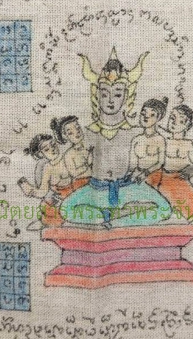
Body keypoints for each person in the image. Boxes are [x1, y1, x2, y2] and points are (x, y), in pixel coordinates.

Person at [59, 49, 172, 226]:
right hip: (97, 189)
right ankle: (117, 216)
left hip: (128, 188)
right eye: (104, 94)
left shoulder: (135, 132)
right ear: (97, 95)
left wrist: (144, 172)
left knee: (164, 209)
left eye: (117, 94)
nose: (110, 100)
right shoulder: (88, 133)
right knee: (66, 210)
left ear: (126, 96)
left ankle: (113, 217)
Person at [147, 105, 193, 222]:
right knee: (176, 188)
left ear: (187, 126)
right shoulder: (165, 139)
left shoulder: (188, 144)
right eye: (172, 118)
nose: (174, 122)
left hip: (176, 175)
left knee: (185, 189)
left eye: (181, 121)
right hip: (160, 174)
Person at [17, 133, 87, 227]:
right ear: (40, 154)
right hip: (57, 199)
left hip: (74, 195)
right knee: (46, 208)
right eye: (46, 149)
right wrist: (31, 191)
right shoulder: (47, 168)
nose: (52, 149)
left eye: (53, 144)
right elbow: (43, 191)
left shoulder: (66, 158)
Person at [128, 97, 169, 181]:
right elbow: (132, 164)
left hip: (154, 176)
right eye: (143, 113)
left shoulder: (160, 140)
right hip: (137, 176)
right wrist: (130, 174)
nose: (146, 117)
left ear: (158, 118)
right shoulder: (136, 139)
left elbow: (160, 163)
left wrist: (145, 174)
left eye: (152, 115)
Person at [50, 115, 93, 183]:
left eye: (78, 128)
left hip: (93, 180)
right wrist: (85, 167)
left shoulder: (87, 148)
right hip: (80, 183)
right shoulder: (69, 155)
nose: (76, 132)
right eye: (70, 133)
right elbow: (74, 173)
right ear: (65, 136)